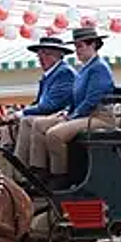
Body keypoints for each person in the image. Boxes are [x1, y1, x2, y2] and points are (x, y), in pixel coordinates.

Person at [30, 26, 117, 189]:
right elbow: (76, 98)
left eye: (80, 46)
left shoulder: (99, 68)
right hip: (83, 114)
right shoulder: (84, 68)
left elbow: (92, 100)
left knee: (55, 134)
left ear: (93, 45)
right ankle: (39, 171)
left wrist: (71, 117)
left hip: (99, 117)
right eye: (76, 47)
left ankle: (60, 176)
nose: (77, 51)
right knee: (39, 124)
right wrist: (67, 112)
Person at [12, 36, 76, 173]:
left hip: (61, 114)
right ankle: (12, 163)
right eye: (39, 54)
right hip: (52, 113)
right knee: (8, 128)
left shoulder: (64, 73)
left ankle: (27, 169)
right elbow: (39, 101)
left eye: (46, 54)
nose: (41, 58)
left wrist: (22, 113)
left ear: (59, 55)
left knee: (28, 121)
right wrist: (20, 111)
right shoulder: (48, 75)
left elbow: (51, 105)